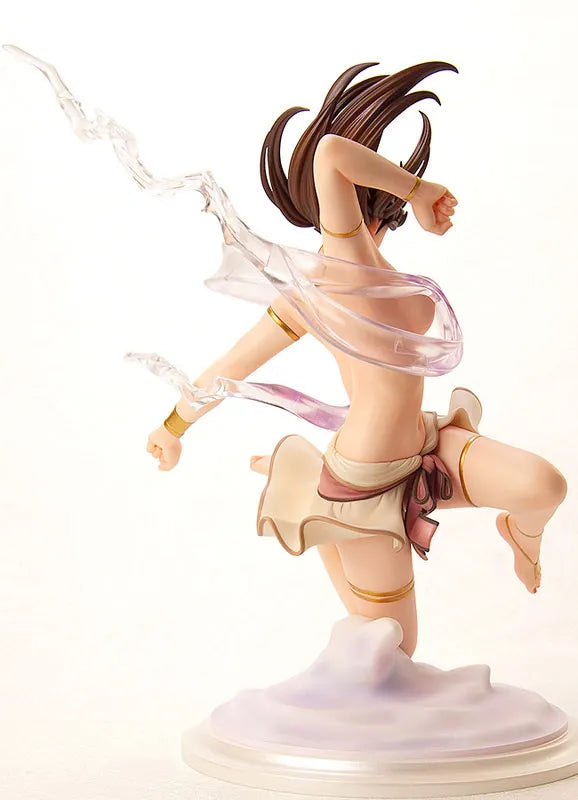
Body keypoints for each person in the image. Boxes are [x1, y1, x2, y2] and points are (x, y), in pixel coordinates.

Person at [146, 62, 567, 657]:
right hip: (364, 483)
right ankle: (324, 524)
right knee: (392, 651)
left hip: (425, 445)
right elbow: (331, 155)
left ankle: (521, 536)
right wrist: (172, 428)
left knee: (543, 485)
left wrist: (174, 426)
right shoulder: (341, 264)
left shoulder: (364, 264)